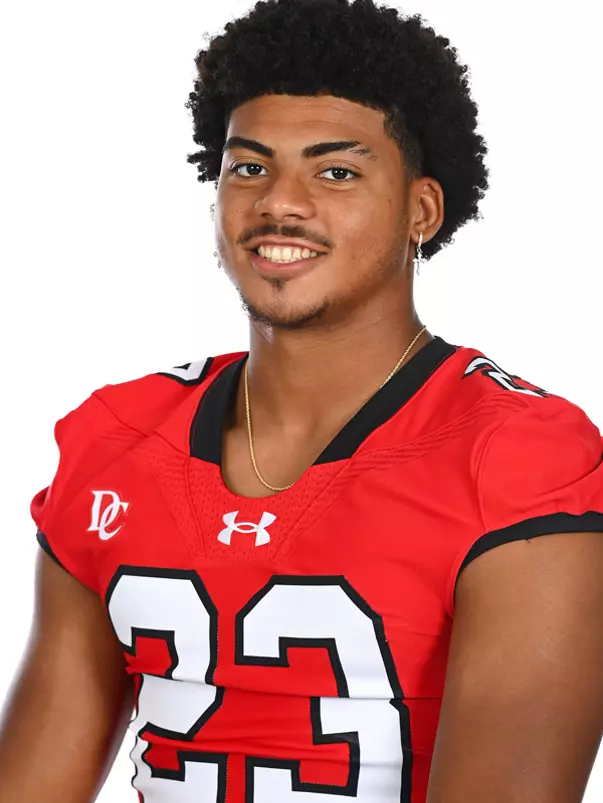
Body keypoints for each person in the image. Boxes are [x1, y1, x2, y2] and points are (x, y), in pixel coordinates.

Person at [2, 0, 603, 801]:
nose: (279, 202)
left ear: (421, 210)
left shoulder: (517, 455)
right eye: (249, 168)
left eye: (336, 172)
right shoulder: (117, 437)